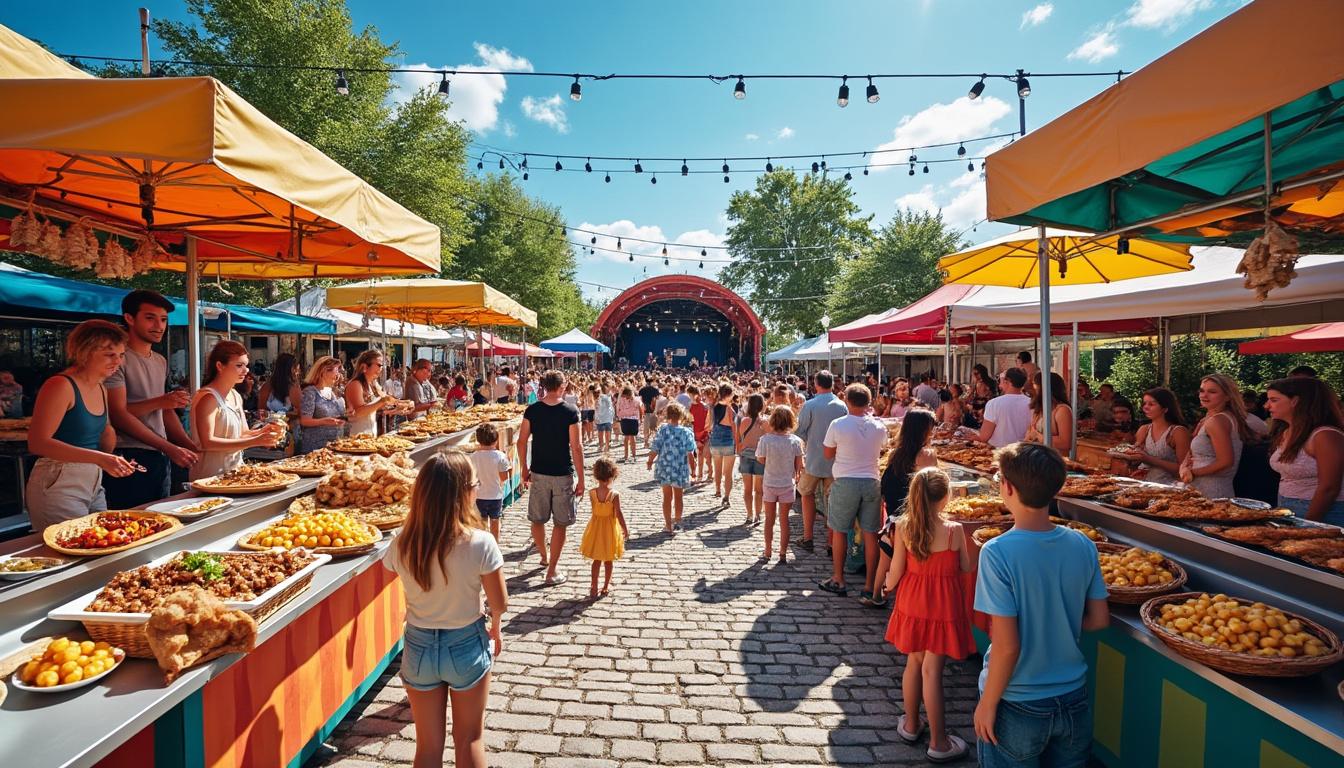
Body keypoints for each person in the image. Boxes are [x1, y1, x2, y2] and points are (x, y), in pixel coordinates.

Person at [973, 442, 1110, 767]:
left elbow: (1007, 646)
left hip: (1017, 701)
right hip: (1074, 699)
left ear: (1006, 487)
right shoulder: (1082, 543)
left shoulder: (996, 552)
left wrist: (988, 704)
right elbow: (1099, 619)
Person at [382, 451, 506, 768]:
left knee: (427, 747)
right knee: (469, 740)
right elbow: (500, 603)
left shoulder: (402, 542)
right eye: (475, 484)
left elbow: (393, 573)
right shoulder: (480, 542)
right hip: (465, 642)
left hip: (419, 646)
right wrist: (495, 627)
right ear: (464, 492)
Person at [883, 467, 974, 763]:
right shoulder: (954, 531)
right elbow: (965, 568)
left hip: (912, 604)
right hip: (941, 608)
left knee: (914, 662)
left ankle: (910, 724)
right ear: (946, 497)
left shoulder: (904, 527)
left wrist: (886, 587)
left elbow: (896, 569)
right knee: (932, 671)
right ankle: (939, 741)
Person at [25, 320, 137, 530]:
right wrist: (102, 458)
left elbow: (104, 436)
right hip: (58, 477)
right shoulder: (60, 385)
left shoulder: (101, 388)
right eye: (109, 354)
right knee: (72, 549)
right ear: (85, 351)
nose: (118, 362)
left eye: (121, 355)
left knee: (105, 540)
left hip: (92, 477)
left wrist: (114, 460)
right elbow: (38, 443)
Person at [103, 290, 198, 508]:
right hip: (126, 455)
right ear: (129, 318)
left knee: (160, 519)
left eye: (163, 319)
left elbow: (165, 410)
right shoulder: (117, 359)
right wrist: (170, 446)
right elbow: (117, 414)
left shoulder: (160, 360)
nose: (159, 325)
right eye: (150, 318)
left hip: (160, 455)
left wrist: (189, 445)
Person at [817, 383, 888, 606]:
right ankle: (870, 585)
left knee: (839, 530)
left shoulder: (838, 424)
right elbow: (883, 448)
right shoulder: (878, 426)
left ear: (847, 400)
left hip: (846, 480)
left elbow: (828, 454)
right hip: (871, 481)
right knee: (870, 534)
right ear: (868, 402)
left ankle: (839, 578)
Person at [518, 370, 584, 586]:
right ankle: (552, 569)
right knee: (560, 523)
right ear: (562, 386)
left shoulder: (533, 410)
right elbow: (576, 446)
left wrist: (523, 468)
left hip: (538, 471)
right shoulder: (570, 411)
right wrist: (582, 478)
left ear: (544, 386)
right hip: (562, 472)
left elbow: (521, 441)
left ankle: (544, 557)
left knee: (537, 519)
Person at [189, 341, 283, 481]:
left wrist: (263, 432)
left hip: (234, 474)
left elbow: (242, 434)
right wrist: (255, 441)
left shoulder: (235, 395)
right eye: (239, 365)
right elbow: (207, 442)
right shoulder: (208, 398)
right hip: (209, 478)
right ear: (220, 366)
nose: (245, 371)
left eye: (246, 365)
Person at [1265, 377, 1344, 525]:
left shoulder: (1325, 435)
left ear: (1295, 401)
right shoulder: (1286, 432)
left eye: (1274, 400)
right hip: (1287, 507)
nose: (1266, 405)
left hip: (1323, 513)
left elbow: (1329, 487)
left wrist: (1307, 524)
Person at [794, 370, 848, 552]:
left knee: (806, 493)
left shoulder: (810, 405)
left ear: (816, 384)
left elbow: (799, 431)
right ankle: (832, 542)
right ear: (832, 383)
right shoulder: (841, 406)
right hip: (835, 460)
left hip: (814, 459)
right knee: (832, 500)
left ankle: (808, 537)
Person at [1180, 374, 1253, 498]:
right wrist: (1183, 465)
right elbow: (1193, 451)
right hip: (1201, 488)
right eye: (1202, 391)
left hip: (1212, 491)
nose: (1204, 395)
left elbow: (1226, 462)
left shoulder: (1217, 421)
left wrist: (1192, 472)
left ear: (1227, 396)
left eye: (1212, 392)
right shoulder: (1210, 419)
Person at [756, 405, 803, 564]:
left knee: (769, 519)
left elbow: (761, 460)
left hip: (770, 482)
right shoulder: (795, 441)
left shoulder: (765, 440)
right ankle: (782, 552)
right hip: (787, 484)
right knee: (784, 521)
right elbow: (799, 465)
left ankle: (768, 550)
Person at [1119, 388, 1190, 484]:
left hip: (1167, 487)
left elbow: (1183, 469)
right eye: (1144, 403)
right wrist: (1132, 460)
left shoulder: (1178, 432)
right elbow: (1136, 458)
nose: (1146, 407)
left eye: (1151, 404)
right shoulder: (1144, 429)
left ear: (1165, 409)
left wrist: (1148, 459)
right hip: (1142, 485)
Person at [581, 457, 629, 597]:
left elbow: (594, 510)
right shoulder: (614, 495)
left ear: (595, 475)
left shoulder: (592, 493)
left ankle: (593, 586)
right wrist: (625, 528)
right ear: (612, 475)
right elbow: (618, 513)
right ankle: (606, 586)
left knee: (596, 559)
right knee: (608, 559)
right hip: (609, 529)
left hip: (596, 528)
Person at [647, 402, 697, 533]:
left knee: (667, 497)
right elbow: (690, 453)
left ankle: (668, 524)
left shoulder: (663, 429)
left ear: (667, 415)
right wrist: (694, 469)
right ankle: (678, 521)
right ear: (681, 415)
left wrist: (650, 460)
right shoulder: (687, 432)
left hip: (665, 467)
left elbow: (655, 447)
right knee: (679, 496)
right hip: (680, 468)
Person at [963, 368, 1032, 448]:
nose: (999, 385)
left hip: (1000, 453)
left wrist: (968, 437)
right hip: (1024, 451)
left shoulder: (994, 404)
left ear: (1007, 381)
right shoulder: (1031, 403)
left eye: (1001, 381)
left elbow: (984, 437)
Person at [469, 423, 512, 542]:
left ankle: (481, 545)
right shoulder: (501, 456)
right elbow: (504, 478)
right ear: (496, 440)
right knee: (495, 521)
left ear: (478, 440)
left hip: (479, 496)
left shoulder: (473, 457)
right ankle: (494, 544)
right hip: (495, 495)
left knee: (480, 523)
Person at [299, 356, 348, 453]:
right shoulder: (310, 392)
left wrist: (347, 415)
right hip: (315, 448)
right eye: (336, 371)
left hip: (334, 445)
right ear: (324, 372)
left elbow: (336, 416)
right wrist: (325, 421)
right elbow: (304, 420)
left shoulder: (333, 392)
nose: (338, 375)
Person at [735, 393, 769, 526]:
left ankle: (749, 514)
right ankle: (758, 515)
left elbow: (739, 440)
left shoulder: (744, 421)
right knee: (759, 490)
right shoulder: (765, 422)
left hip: (746, 456)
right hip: (760, 457)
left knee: (747, 489)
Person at [345, 350, 396, 437]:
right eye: (379, 365)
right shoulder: (355, 384)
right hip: (356, 436)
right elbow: (359, 412)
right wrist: (382, 401)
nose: (382, 368)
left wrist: (400, 406)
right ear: (365, 366)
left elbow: (384, 404)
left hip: (369, 435)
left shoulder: (373, 384)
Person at [1025, 371, 1074, 454]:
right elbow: (1029, 435)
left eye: (1036, 389)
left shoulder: (1062, 410)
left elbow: (1065, 443)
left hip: (1053, 460)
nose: (1033, 392)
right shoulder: (1039, 410)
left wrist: (1039, 436)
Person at [708, 383, 738, 508]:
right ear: (729, 394)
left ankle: (718, 490)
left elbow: (710, 424)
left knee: (717, 468)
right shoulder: (730, 409)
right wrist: (737, 442)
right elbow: (734, 427)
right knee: (728, 472)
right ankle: (726, 496)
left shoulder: (712, 406)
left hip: (715, 439)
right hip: (727, 440)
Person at [687, 384, 709, 482]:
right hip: (694, 433)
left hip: (703, 433)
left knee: (704, 455)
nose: (689, 397)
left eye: (690, 395)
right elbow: (690, 420)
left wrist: (705, 434)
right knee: (697, 455)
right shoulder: (690, 407)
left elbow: (707, 421)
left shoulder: (704, 406)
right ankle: (697, 474)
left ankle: (703, 474)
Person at [615, 385, 642, 462]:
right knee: (630, 438)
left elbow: (618, 407)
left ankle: (628, 456)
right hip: (632, 419)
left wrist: (618, 415)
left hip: (627, 419)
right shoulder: (636, 400)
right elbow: (640, 408)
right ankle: (632, 456)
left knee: (628, 438)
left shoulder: (623, 400)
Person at [638, 378, 660, 449]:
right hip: (654, 411)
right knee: (654, 428)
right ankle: (654, 443)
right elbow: (657, 400)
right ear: (652, 382)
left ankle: (646, 443)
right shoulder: (655, 390)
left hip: (646, 410)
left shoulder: (642, 390)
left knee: (646, 428)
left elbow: (641, 400)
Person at [594, 385, 615, 455]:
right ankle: (604, 446)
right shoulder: (604, 397)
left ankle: (604, 446)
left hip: (605, 417)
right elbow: (596, 408)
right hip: (603, 418)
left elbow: (610, 406)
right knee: (604, 433)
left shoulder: (607, 397)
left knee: (603, 433)